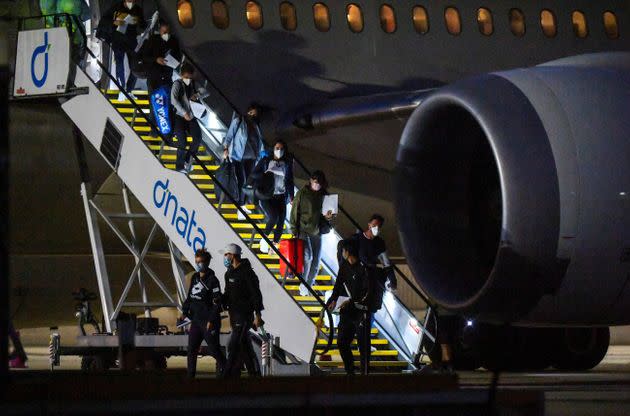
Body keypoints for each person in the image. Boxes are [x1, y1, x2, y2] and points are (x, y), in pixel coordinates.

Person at [326, 239, 372, 375]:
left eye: (343, 251)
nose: (341, 253)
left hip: (360, 312)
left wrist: (351, 302)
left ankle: (364, 374)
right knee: (342, 342)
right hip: (346, 311)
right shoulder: (344, 266)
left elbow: (367, 292)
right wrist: (332, 300)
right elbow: (338, 285)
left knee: (363, 345)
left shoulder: (363, 268)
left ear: (348, 252)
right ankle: (350, 371)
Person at [220, 243, 265, 378]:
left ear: (232, 255)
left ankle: (226, 377)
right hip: (233, 315)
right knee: (245, 348)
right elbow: (227, 294)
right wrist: (219, 301)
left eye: (225, 254)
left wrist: (258, 315)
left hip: (244, 315)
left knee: (233, 346)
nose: (224, 257)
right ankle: (255, 375)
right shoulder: (228, 274)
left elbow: (256, 294)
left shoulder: (247, 273)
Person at [182, 249, 226, 378]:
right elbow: (190, 296)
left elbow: (217, 303)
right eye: (197, 262)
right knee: (191, 350)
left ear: (207, 262)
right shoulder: (195, 277)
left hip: (208, 321)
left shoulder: (213, 280)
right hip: (196, 321)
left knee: (214, 350)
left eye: (200, 262)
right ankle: (190, 377)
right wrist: (185, 311)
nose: (198, 264)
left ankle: (228, 370)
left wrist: (211, 320)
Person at [290, 170, 333, 296]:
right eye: (315, 183)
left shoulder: (324, 195)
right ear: (310, 181)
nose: (317, 186)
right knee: (308, 256)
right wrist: (294, 229)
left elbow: (328, 216)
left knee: (316, 262)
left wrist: (329, 216)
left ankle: (306, 286)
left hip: (317, 231)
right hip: (303, 230)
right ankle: (303, 281)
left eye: (319, 184)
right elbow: (294, 212)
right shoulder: (302, 193)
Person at [249, 140, 294, 251]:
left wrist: (291, 196)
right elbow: (253, 173)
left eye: (281, 149)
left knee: (281, 219)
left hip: (281, 195)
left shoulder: (287, 163)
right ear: (273, 149)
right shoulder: (266, 161)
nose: (279, 151)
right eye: (277, 148)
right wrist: (266, 172)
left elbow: (289, 180)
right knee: (274, 217)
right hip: (267, 195)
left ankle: (274, 244)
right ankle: (265, 238)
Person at [222, 104, 265, 216]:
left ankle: (242, 204)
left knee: (248, 183)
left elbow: (260, 143)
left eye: (255, 114)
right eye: (251, 113)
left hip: (251, 158)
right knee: (243, 180)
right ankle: (240, 206)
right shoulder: (239, 121)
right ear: (248, 112)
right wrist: (226, 148)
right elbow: (229, 135)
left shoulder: (257, 126)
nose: (253, 115)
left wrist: (260, 157)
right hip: (238, 156)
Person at [141, 19, 181, 137]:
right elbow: (144, 57)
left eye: (168, 31)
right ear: (160, 30)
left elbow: (178, 56)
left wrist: (173, 61)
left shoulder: (173, 41)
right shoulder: (153, 40)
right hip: (154, 77)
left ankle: (168, 132)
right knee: (154, 105)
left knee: (168, 103)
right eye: (164, 31)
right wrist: (156, 59)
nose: (166, 33)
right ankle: (154, 131)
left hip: (167, 76)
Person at [106, 0, 145, 100]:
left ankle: (129, 90)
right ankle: (122, 90)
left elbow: (143, 25)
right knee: (120, 65)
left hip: (131, 40)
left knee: (136, 65)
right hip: (118, 39)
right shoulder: (116, 7)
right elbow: (105, 20)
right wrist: (114, 22)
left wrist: (138, 20)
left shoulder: (137, 9)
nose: (131, 2)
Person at [170, 62, 202, 173]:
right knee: (182, 142)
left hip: (191, 115)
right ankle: (179, 166)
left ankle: (187, 160)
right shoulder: (177, 84)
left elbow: (204, 92)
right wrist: (184, 113)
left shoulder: (193, 84)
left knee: (197, 138)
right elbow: (173, 100)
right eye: (186, 77)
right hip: (180, 116)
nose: (188, 79)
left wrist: (196, 95)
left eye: (190, 77)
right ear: (182, 75)